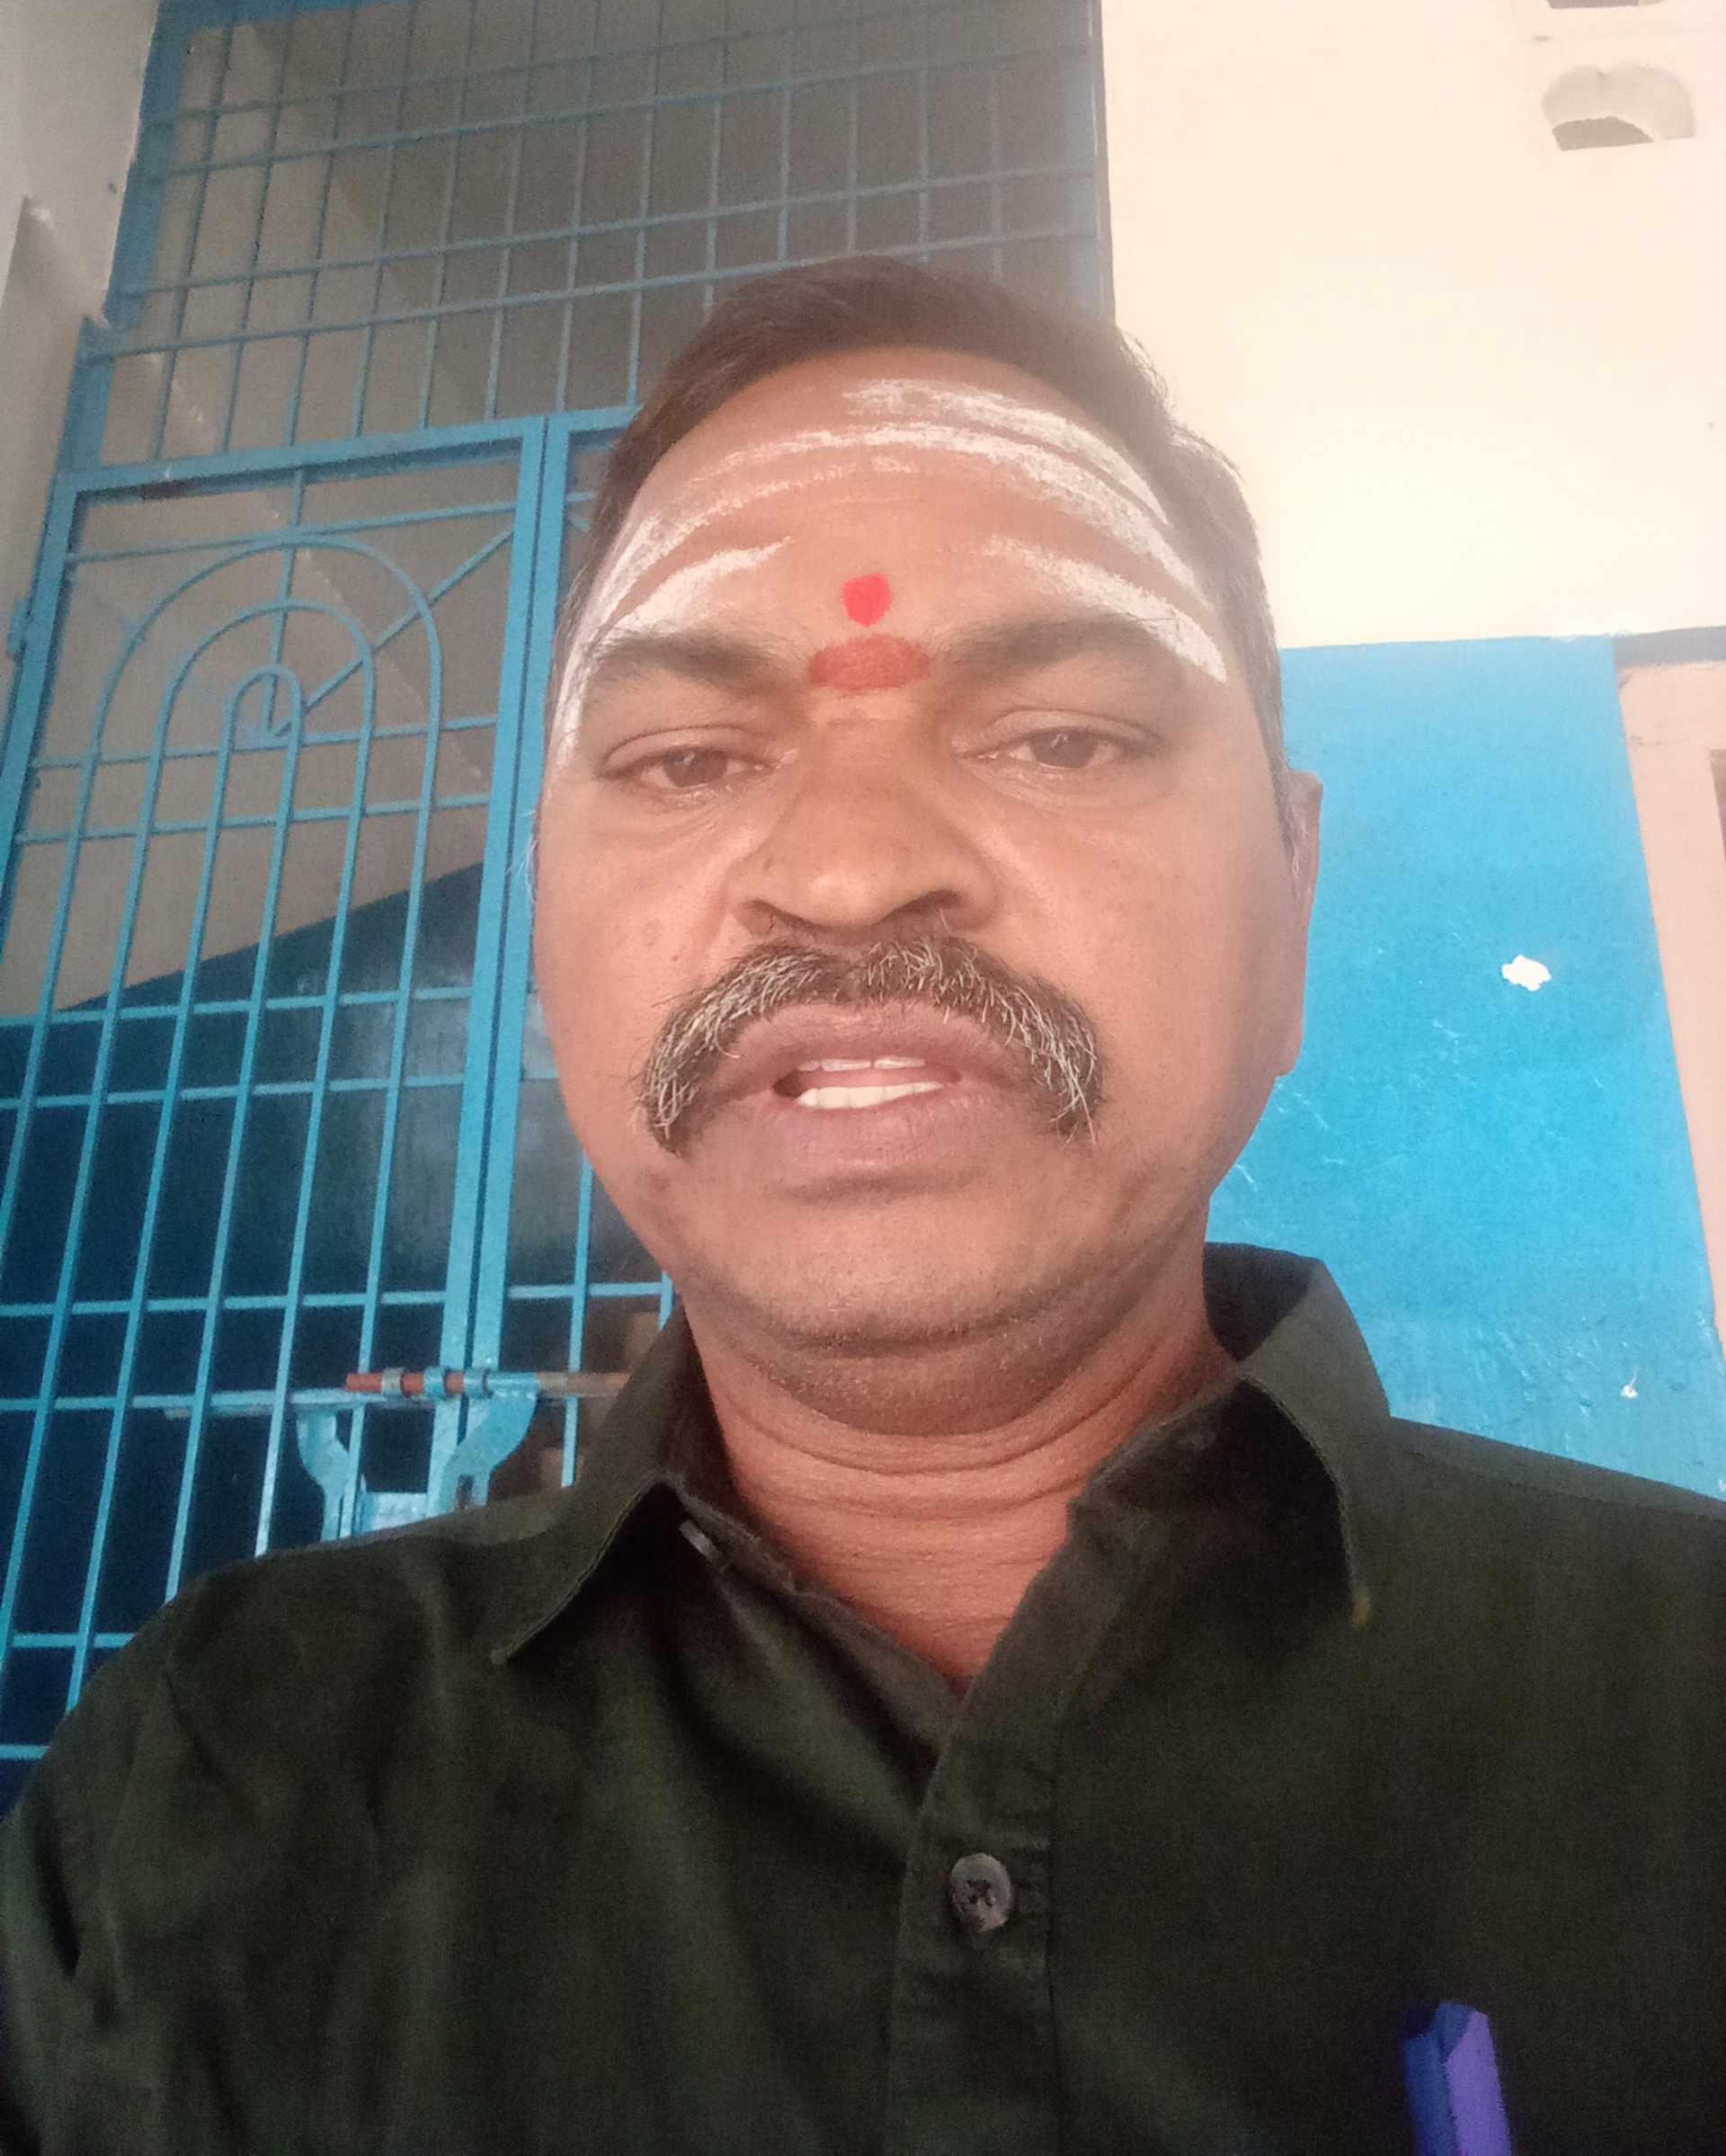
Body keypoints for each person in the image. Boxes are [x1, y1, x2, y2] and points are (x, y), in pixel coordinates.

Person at [3, 256, 1723, 2155]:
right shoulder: (206, 1784)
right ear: (548, 931)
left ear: (1292, 886)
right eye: (686, 757)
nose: (847, 870)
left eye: (1060, 735)